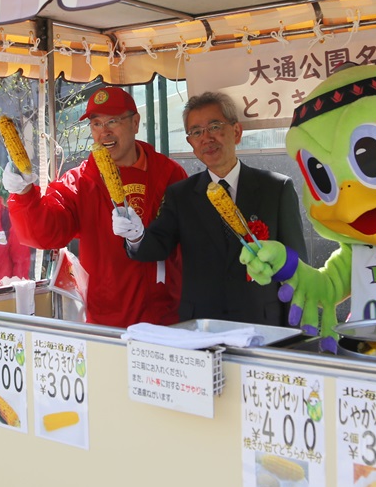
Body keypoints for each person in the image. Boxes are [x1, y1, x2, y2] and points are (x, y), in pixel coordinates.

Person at [115, 91, 308, 327]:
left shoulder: (276, 188)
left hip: (262, 322)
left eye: (214, 126)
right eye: (196, 132)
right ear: (191, 143)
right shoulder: (180, 195)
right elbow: (156, 247)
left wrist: (297, 331)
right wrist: (134, 235)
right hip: (201, 324)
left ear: (236, 132)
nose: (206, 138)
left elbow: (297, 265)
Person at [4, 87, 185, 328]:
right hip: (108, 321)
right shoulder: (80, 182)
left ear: (135, 123)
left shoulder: (169, 173)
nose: (104, 132)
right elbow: (45, 233)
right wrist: (23, 193)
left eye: (113, 121)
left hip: (168, 317)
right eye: (96, 124)